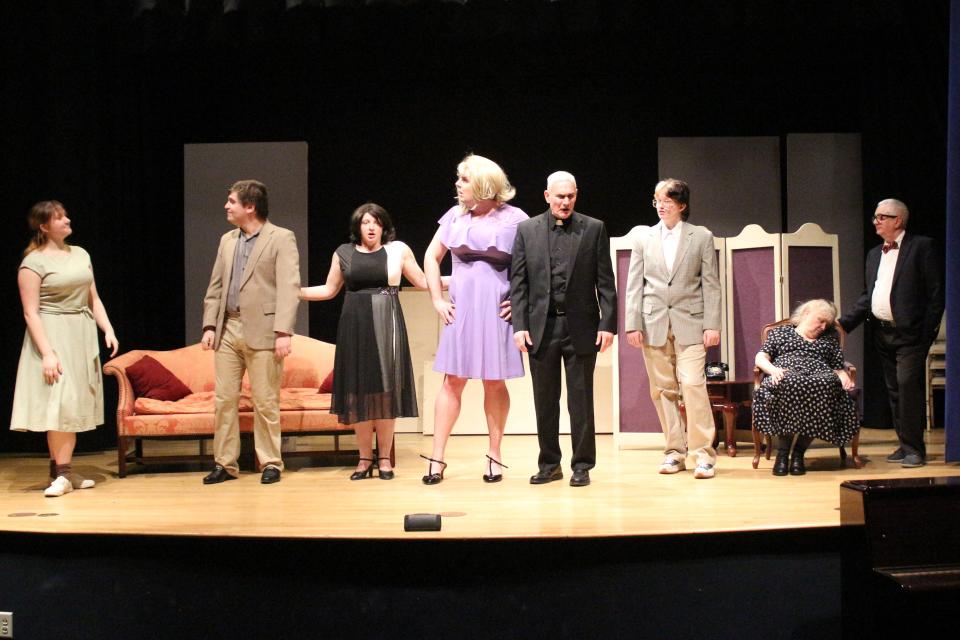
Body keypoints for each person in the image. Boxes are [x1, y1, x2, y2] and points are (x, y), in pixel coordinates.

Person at [300, 203, 427, 480]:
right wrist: (293, 292)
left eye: (376, 222)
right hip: (354, 324)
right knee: (359, 390)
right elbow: (329, 289)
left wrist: (464, 279)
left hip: (386, 322)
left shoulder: (398, 250)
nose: (371, 227)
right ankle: (363, 459)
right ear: (358, 226)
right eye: (366, 222)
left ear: (384, 226)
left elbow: (423, 282)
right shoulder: (343, 253)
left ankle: (384, 459)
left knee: (385, 392)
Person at [422, 154, 527, 484]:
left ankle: (495, 455)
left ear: (483, 184)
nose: (458, 184)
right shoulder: (454, 216)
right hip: (462, 311)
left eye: (464, 179)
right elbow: (430, 256)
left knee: (494, 381)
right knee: (452, 380)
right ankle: (437, 458)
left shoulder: (515, 219)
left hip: (496, 310)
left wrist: (520, 303)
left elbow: (534, 266)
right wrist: (437, 298)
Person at [510, 171, 617, 487]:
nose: (565, 202)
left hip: (581, 326)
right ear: (547, 196)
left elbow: (605, 282)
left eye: (570, 196)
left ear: (576, 194)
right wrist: (519, 325)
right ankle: (549, 464)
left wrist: (607, 324)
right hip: (541, 327)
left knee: (581, 400)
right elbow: (519, 283)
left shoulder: (594, 228)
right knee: (545, 400)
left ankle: (582, 464)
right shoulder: (526, 230)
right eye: (559, 196)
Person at [11, 201, 119, 497]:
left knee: (71, 406)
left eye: (66, 215)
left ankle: (63, 472)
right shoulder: (33, 263)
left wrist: (107, 328)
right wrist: (47, 352)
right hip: (53, 332)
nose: (67, 220)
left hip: (81, 334)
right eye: (59, 218)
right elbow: (31, 312)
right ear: (44, 226)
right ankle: (62, 475)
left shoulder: (80, 254)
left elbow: (93, 298)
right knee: (59, 404)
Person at [201, 179, 300, 485]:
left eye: (231, 201)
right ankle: (225, 464)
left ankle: (270, 461)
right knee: (224, 400)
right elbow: (216, 286)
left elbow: (289, 286)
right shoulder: (227, 241)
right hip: (228, 327)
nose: (226, 206)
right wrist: (209, 325)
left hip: (265, 329)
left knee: (266, 400)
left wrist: (284, 331)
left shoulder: (281, 238)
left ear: (250, 206)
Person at [624, 178, 722, 479]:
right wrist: (632, 323)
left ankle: (703, 454)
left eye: (667, 200)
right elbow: (634, 284)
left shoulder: (701, 237)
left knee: (692, 385)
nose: (661, 205)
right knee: (663, 390)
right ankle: (674, 452)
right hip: (654, 322)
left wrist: (712, 324)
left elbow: (711, 284)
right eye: (657, 200)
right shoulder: (643, 238)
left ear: (682, 204)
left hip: (690, 322)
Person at [839, 198, 944, 468]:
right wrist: (844, 324)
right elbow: (869, 296)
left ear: (898, 220)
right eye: (875, 217)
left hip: (911, 335)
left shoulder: (921, 247)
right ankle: (904, 443)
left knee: (908, 388)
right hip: (883, 334)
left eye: (881, 217)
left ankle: (915, 449)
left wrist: (927, 332)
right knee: (894, 390)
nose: (875, 221)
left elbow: (935, 295)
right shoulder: (875, 254)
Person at [754, 299, 858, 476]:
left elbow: (838, 367)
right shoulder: (781, 333)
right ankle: (782, 453)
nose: (824, 327)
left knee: (825, 385)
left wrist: (844, 377)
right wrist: (773, 370)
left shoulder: (829, 339)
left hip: (820, 377)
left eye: (827, 323)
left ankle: (798, 453)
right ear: (806, 313)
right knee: (789, 382)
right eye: (821, 320)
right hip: (786, 374)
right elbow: (760, 357)